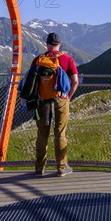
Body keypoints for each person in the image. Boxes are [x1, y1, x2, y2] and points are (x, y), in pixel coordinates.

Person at [34, 32, 79, 177]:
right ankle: (61, 168)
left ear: (47, 44)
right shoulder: (67, 59)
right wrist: (68, 97)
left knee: (42, 134)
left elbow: (31, 81)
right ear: (59, 44)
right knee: (60, 133)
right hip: (61, 99)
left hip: (42, 100)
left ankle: (39, 168)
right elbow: (75, 81)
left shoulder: (39, 60)